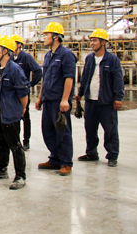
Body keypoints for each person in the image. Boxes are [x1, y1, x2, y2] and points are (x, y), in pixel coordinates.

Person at [0, 36, 30, 190]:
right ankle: (2, 169)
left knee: (14, 145)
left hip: (9, 114)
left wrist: (21, 109)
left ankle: (20, 176)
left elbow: (23, 93)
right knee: (1, 142)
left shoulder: (14, 69)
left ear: (5, 51)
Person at [75, 29, 124, 167]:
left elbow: (118, 80)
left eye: (94, 40)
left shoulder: (112, 60)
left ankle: (112, 156)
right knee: (90, 128)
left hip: (106, 102)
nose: (91, 43)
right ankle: (91, 153)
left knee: (110, 130)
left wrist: (118, 97)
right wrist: (80, 93)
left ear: (103, 43)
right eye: (91, 40)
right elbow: (85, 77)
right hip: (91, 101)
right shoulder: (89, 59)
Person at [35, 22, 77, 176]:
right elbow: (44, 78)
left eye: (46, 34)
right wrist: (40, 97)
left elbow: (69, 78)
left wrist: (65, 99)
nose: (44, 37)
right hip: (48, 99)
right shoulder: (48, 55)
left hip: (59, 101)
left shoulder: (66, 55)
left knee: (62, 132)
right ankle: (55, 158)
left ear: (56, 37)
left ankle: (66, 163)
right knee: (48, 131)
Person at [11, 34, 42, 151]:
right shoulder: (10, 57)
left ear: (19, 45)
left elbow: (38, 71)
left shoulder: (26, 57)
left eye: (14, 43)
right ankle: (16, 140)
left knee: (25, 116)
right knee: (14, 117)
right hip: (13, 93)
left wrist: (30, 84)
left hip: (23, 92)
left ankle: (26, 141)